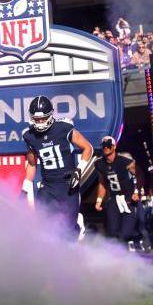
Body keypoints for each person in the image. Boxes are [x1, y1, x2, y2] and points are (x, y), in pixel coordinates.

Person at [20, 95, 93, 236]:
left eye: (43, 119)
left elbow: (87, 148)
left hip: (68, 184)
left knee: (68, 229)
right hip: (48, 185)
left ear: (51, 115)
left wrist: (79, 170)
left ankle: (77, 225)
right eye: (36, 119)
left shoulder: (64, 128)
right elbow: (32, 162)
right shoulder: (29, 136)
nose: (40, 122)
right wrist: (26, 185)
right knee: (46, 225)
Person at [93, 136, 140, 248]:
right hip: (114, 199)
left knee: (125, 233)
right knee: (112, 232)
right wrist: (99, 200)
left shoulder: (125, 162)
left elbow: (140, 175)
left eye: (109, 146)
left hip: (128, 198)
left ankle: (134, 241)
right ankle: (118, 259)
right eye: (104, 146)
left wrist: (137, 192)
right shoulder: (99, 164)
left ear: (114, 147)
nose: (106, 148)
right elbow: (102, 182)